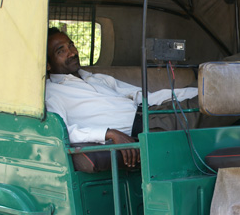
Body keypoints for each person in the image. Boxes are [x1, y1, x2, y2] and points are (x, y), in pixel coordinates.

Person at [45, 28, 198, 168]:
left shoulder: (96, 78)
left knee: (205, 99)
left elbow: (145, 97)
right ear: (47, 65)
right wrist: (109, 133)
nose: (71, 52)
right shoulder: (52, 91)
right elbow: (61, 131)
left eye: (71, 45)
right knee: (207, 112)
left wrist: (196, 91)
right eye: (61, 51)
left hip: (152, 111)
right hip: (146, 126)